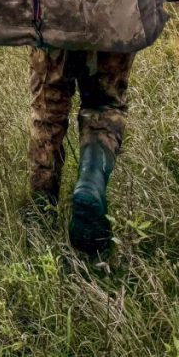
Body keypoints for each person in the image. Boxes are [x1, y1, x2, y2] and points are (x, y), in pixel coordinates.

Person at [29, 48, 133, 253]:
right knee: (103, 105)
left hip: (54, 23)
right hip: (112, 22)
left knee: (47, 112)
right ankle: (90, 184)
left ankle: (40, 216)